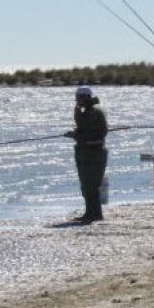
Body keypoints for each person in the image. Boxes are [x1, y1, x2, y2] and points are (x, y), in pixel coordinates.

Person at [65, 86, 108, 224]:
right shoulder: (89, 110)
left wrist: (75, 134)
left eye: (78, 98)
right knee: (86, 185)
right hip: (86, 152)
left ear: (84, 98)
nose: (77, 101)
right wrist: (76, 133)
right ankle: (90, 213)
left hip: (93, 153)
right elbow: (84, 128)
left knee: (91, 185)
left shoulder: (94, 112)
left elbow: (85, 128)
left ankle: (95, 215)